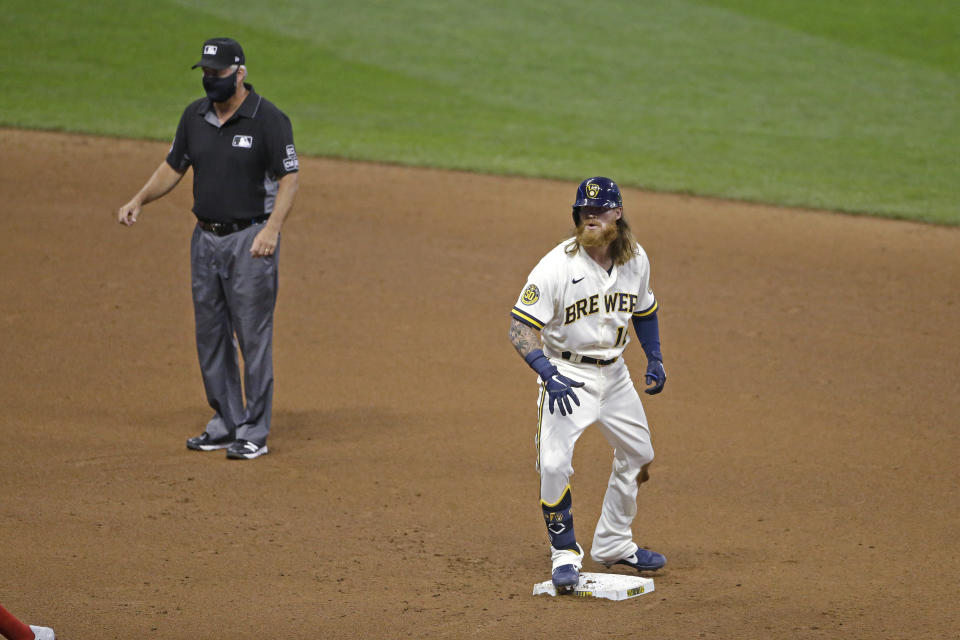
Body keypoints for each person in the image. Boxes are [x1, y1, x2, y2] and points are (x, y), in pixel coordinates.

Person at [118, 37, 300, 460]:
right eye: (205, 72)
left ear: (240, 72)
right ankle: (226, 422)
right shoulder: (194, 116)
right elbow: (174, 166)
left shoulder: (269, 119)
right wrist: (138, 199)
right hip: (205, 240)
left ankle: (254, 430)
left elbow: (290, 178)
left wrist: (272, 230)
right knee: (211, 335)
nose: (210, 80)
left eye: (217, 73)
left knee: (252, 337)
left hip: (250, 241)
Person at [508, 177, 667, 592]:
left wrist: (655, 356)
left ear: (617, 213)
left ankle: (614, 543)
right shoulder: (557, 265)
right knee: (555, 464)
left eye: (598, 211)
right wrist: (547, 372)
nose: (589, 217)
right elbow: (520, 327)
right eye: (583, 211)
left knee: (639, 453)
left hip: (615, 375)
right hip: (566, 374)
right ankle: (564, 554)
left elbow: (644, 308)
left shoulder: (636, 259)